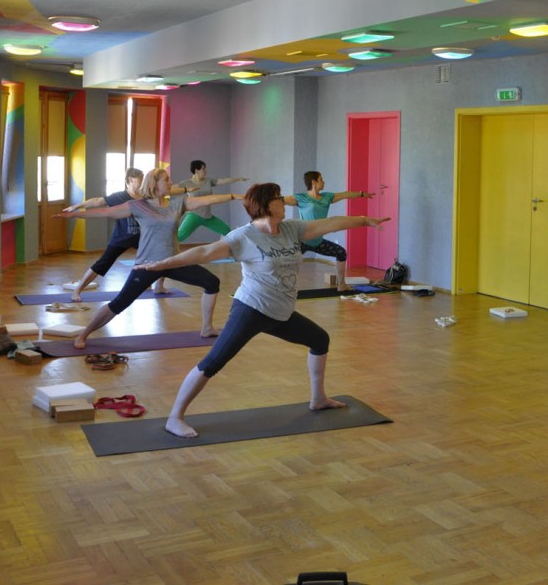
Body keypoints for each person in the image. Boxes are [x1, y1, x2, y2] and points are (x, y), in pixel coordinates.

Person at [135, 182, 389, 438]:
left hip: (281, 312)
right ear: (266, 205)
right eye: (279, 198)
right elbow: (204, 252)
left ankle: (318, 398)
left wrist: (363, 220)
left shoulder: (291, 229)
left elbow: (330, 224)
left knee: (320, 339)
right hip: (251, 309)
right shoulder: (243, 236)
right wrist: (163, 264)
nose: (284, 202)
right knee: (214, 362)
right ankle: (174, 417)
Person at [58, 168, 240, 346]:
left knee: (212, 282)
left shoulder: (177, 204)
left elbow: (206, 200)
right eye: (166, 180)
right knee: (120, 303)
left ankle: (207, 328)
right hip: (147, 265)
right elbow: (105, 211)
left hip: (173, 261)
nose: (170, 182)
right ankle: (83, 334)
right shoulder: (138, 205)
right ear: (155, 184)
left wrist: (232, 196)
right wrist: (74, 214)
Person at [62, 167, 166, 301]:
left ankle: (159, 286)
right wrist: (76, 207)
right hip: (121, 238)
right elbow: (98, 201)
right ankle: (77, 290)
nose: (142, 181)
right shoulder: (119, 197)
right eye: (140, 178)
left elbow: (167, 191)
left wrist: (186, 189)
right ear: (130, 180)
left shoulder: (145, 195)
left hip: (142, 238)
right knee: (102, 264)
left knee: (162, 255)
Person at [283, 171, 374, 293]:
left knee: (341, 252)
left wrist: (361, 194)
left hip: (318, 242)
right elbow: (281, 200)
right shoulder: (301, 198)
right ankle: (284, 289)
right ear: (314, 182)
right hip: (302, 241)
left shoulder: (326, 197)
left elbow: (344, 195)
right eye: (321, 179)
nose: (324, 182)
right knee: (287, 261)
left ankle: (341, 285)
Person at [175, 160, 249, 243]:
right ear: (196, 171)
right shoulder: (186, 183)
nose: (205, 171)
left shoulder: (208, 181)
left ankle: (225, 246)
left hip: (207, 216)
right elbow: (172, 188)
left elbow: (223, 180)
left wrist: (238, 179)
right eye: (203, 169)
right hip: (194, 215)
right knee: (179, 237)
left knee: (227, 231)